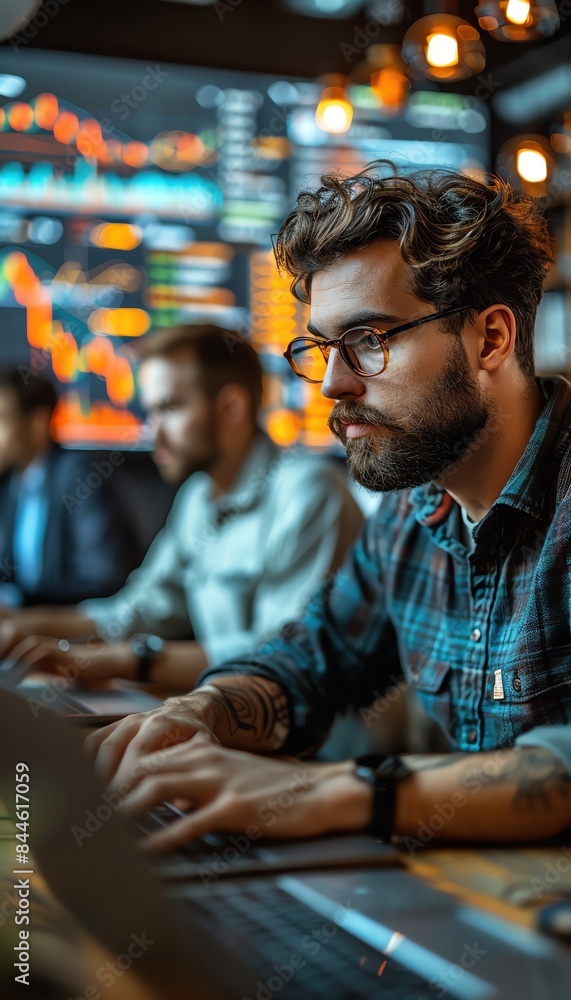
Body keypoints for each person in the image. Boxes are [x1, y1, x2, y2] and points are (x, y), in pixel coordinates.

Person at [86, 163, 571, 852]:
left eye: (368, 342)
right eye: (320, 349)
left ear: (489, 339)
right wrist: (202, 711)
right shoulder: (414, 514)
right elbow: (311, 658)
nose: (332, 384)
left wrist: (340, 791)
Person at [1, 324, 363, 690]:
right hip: (240, 720)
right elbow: (139, 609)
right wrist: (23, 626)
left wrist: (127, 661)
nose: (153, 433)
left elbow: (284, 657)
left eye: (169, 409)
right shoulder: (198, 494)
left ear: (231, 408)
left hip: (315, 743)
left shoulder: (309, 491)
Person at [0, 369, 128, 607]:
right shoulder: (10, 483)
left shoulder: (78, 477)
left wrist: (18, 603)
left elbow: (102, 583)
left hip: (71, 634)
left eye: (1, 419)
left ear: (37, 423)